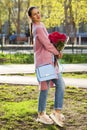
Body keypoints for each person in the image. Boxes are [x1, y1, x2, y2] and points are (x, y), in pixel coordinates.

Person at [27, 6, 65, 127]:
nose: (38, 15)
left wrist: (57, 49)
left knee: (61, 84)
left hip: (50, 62)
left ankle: (56, 112)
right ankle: (41, 114)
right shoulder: (37, 28)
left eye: (38, 13)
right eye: (34, 14)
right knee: (44, 88)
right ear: (31, 17)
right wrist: (57, 51)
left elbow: (49, 42)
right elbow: (47, 44)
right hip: (43, 63)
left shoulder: (41, 25)